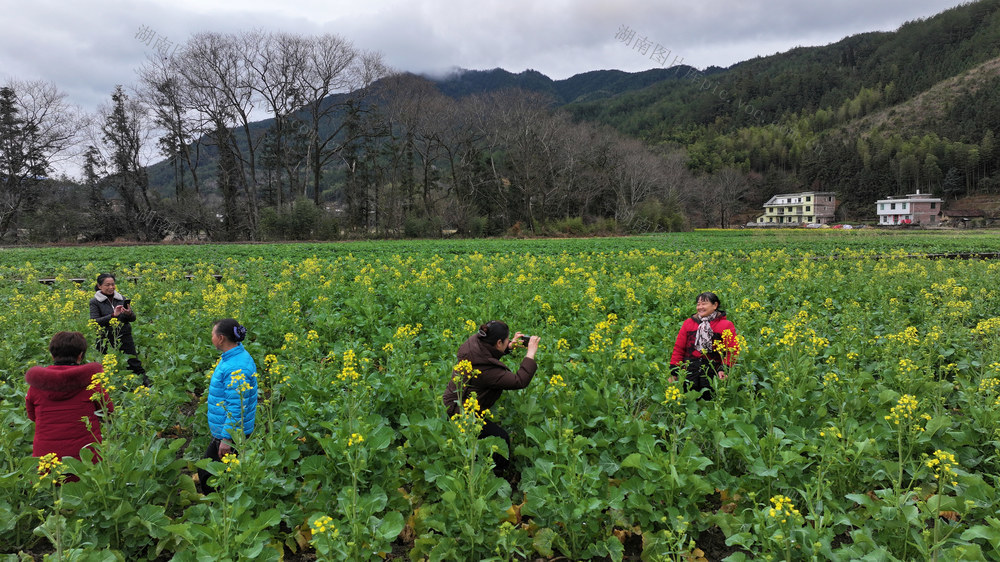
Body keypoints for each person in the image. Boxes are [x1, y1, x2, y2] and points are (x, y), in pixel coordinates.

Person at [443, 320, 540, 476]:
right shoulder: (485, 372)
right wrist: (530, 354)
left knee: (482, 432)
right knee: (501, 438)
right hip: (460, 410)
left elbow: (488, 354)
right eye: (507, 340)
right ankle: (496, 473)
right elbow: (519, 381)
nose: (509, 341)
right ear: (498, 342)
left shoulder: (475, 341)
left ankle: (475, 454)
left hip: (454, 399)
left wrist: (508, 347)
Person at [25, 331, 114, 472]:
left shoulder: (37, 385)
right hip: (87, 466)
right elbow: (109, 412)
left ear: (52, 355)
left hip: (48, 466)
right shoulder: (92, 381)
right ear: (80, 355)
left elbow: (32, 417)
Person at [198, 318, 258, 494]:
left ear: (221, 338)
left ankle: (220, 509)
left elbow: (236, 407)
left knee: (210, 474)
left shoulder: (235, 367)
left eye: (212, 335)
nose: (211, 338)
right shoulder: (235, 357)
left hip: (231, 434)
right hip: (229, 431)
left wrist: (226, 439)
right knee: (221, 472)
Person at [670, 292, 739, 400]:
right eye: (698, 304)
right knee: (689, 401)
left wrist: (724, 369)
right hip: (689, 371)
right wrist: (674, 371)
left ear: (715, 305)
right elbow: (679, 349)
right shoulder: (689, 323)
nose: (700, 307)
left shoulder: (725, 325)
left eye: (704, 304)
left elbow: (733, 351)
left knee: (710, 402)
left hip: (713, 372)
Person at [89, 273, 147, 385]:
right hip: (105, 337)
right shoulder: (95, 302)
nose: (111, 287)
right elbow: (95, 321)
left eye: (113, 284)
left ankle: (144, 384)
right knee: (107, 365)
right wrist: (112, 315)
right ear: (99, 286)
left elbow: (133, 318)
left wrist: (129, 313)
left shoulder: (121, 299)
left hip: (124, 336)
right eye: (107, 285)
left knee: (133, 362)